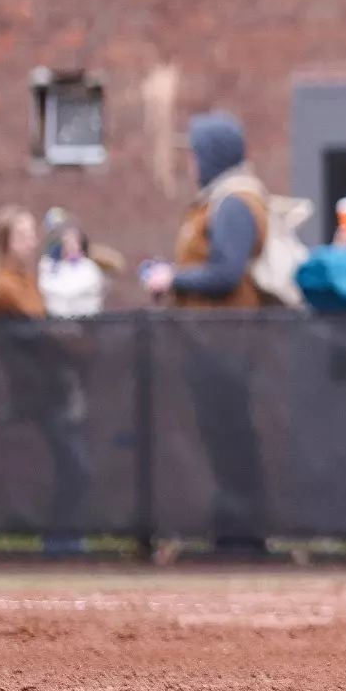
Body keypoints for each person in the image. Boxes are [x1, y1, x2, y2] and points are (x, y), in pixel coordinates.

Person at [142, 111, 271, 556]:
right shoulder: (217, 199)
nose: (191, 163)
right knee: (223, 436)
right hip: (211, 342)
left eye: (196, 153)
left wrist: (172, 278)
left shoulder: (234, 201)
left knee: (232, 437)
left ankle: (243, 536)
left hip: (226, 343)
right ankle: (233, 532)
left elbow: (226, 273)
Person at [0, 207, 92, 554]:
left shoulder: (28, 279)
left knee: (72, 464)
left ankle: (62, 537)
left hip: (50, 386)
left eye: (31, 233)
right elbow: (42, 330)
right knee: (73, 464)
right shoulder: (2, 286)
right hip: (33, 390)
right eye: (22, 235)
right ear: (4, 242)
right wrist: (64, 337)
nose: (32, 241)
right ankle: (59, 540)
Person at [38, 211, 122, 319]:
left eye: (74, 242)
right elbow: (45, 288)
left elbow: (75, 291)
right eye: (66, 242)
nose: (70, 246)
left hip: (85, 323)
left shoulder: (89, 268)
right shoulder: (53, 266)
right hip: (56, 322)